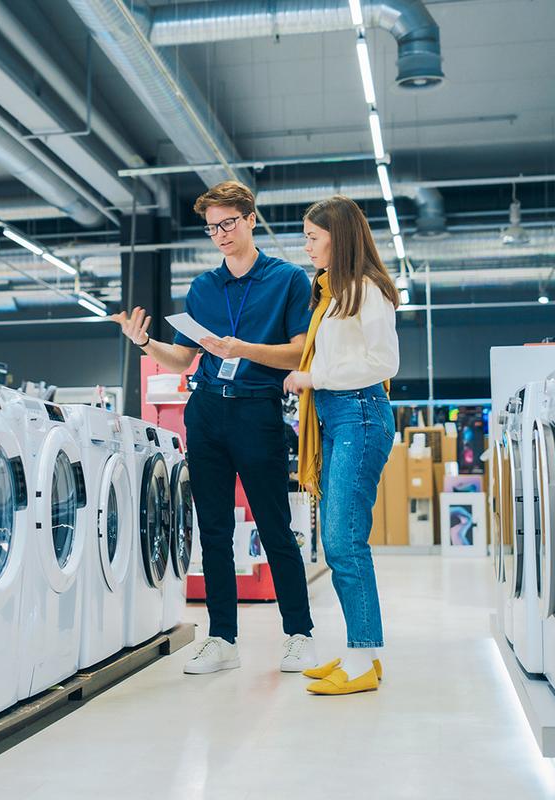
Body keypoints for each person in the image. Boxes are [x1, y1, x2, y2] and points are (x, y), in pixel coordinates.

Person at [113, 180, 317, 676]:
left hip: (257, 411)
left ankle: (299, 635)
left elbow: (298, 351)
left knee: (274, 526)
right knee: (214, 529)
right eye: (212, 228)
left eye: (228, 223)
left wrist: (241, 349)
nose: (221, 234)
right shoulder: (203, 287)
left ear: (250, 218)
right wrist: (144, 343)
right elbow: (184, 357)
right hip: (205, 411)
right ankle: (223, 638)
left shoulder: (288, 279)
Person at [283, 195, 400, 696]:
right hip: (339, 417)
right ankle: (363, 655)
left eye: (313, 236)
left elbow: (385, 362)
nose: (306, 245)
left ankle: (360, 658)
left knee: (343, 541)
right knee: (341, 540)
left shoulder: (367, 291)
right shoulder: (335, 293)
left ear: (339, 237)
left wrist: (313, 376)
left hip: (360, 414)